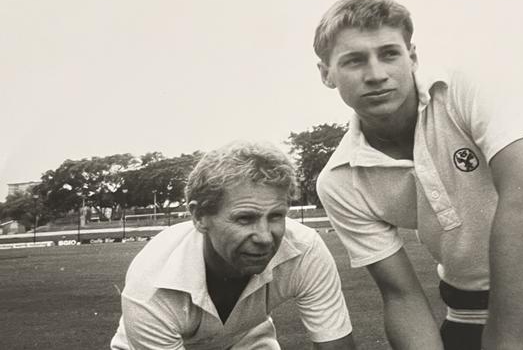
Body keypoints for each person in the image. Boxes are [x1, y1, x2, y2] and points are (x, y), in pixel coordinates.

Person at [313, 0, 523, 350]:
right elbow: (402, 296)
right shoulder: (340, 180)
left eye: (389, 54)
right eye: (354, 61)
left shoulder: (466, 88)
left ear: (412, 56)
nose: (376, 74)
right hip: (464, 306)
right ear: (326, 74)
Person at [110, 141, 355, 349]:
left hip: (246, 341)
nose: (265, 238)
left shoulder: (304, 249)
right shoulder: (150, 284)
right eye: (244, 218)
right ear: (199, 217)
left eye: (276, 216)